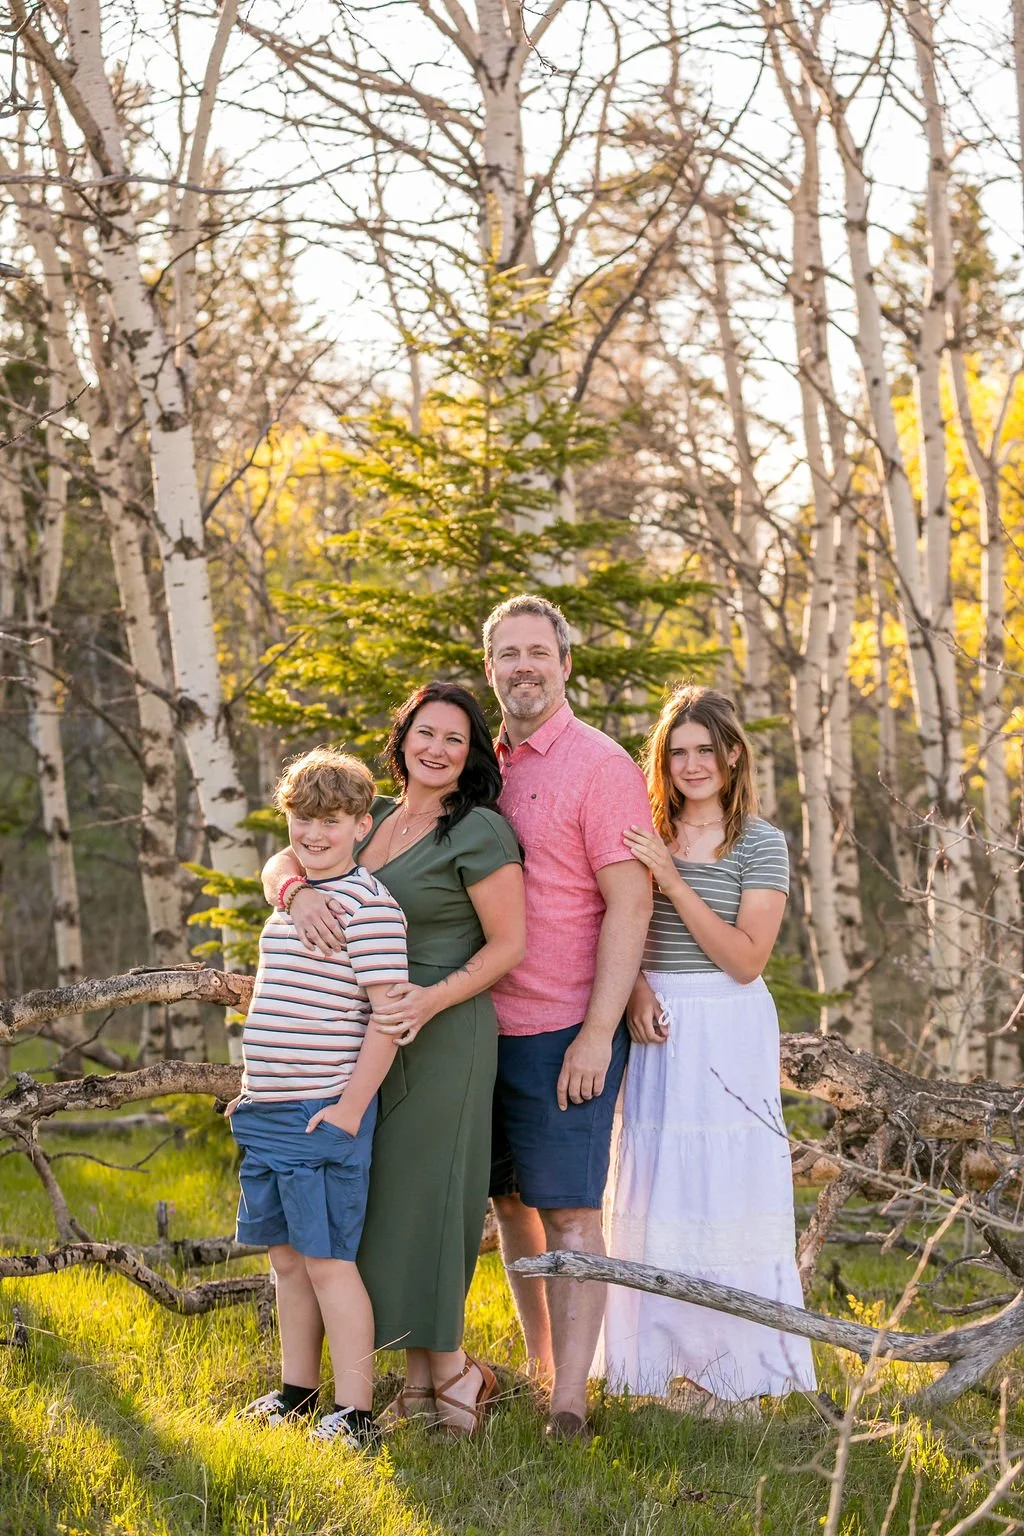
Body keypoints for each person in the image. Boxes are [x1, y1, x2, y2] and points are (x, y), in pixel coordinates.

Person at [262, 682, 525, 1436]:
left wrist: (431, 999)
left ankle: (454, 1375)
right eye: (425, 733)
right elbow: (286, 856)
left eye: (455, 739)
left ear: (471, 752)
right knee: (378, 1209)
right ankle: (415, 1377)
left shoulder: (479, 832)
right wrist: (294, 897)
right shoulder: (370, 816)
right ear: (402, 736)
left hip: (444, 1032)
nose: (437, 749)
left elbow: (510, 946)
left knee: (431, 1203)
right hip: (359, 1038)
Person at [600, 684, 817, 1408]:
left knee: (725, 1186)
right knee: (660, 1182)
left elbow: (746, 958)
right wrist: (632, 993)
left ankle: (741, 1372)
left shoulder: (759, 842)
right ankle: (653, 1370)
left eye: (704, 750)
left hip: (726, 1024)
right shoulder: (642, 829)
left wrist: (672, 879)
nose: (691, 764)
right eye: (676, 751)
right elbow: (617, 926)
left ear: (731, 755)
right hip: (656, 1021)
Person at [482, 594, 654, 1441]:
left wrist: (598, 1030)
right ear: (491, 669)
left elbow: (629, 901)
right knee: (510, 1205)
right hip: (479, 1029)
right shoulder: (483, 767)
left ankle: (571, 1406)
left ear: (565, 664)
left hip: (563, 1029)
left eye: (538, 652)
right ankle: (541, 1367)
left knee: (573, 1213)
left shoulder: (600, 764)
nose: (524, 666)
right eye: (508, 653)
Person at [226, 747, 409, 1448]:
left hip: (321, 1113)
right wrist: (250, 1094)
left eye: (333, 820)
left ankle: (356, 1414)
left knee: (330, 1261)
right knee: (285, 1259)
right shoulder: (291, 900)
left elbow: (389, 1017)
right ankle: (297, 1394)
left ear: (363, 824)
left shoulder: (370, 908)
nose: (315, 833)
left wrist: (351, 1109)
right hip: (267, 1112)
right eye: (304, 819)